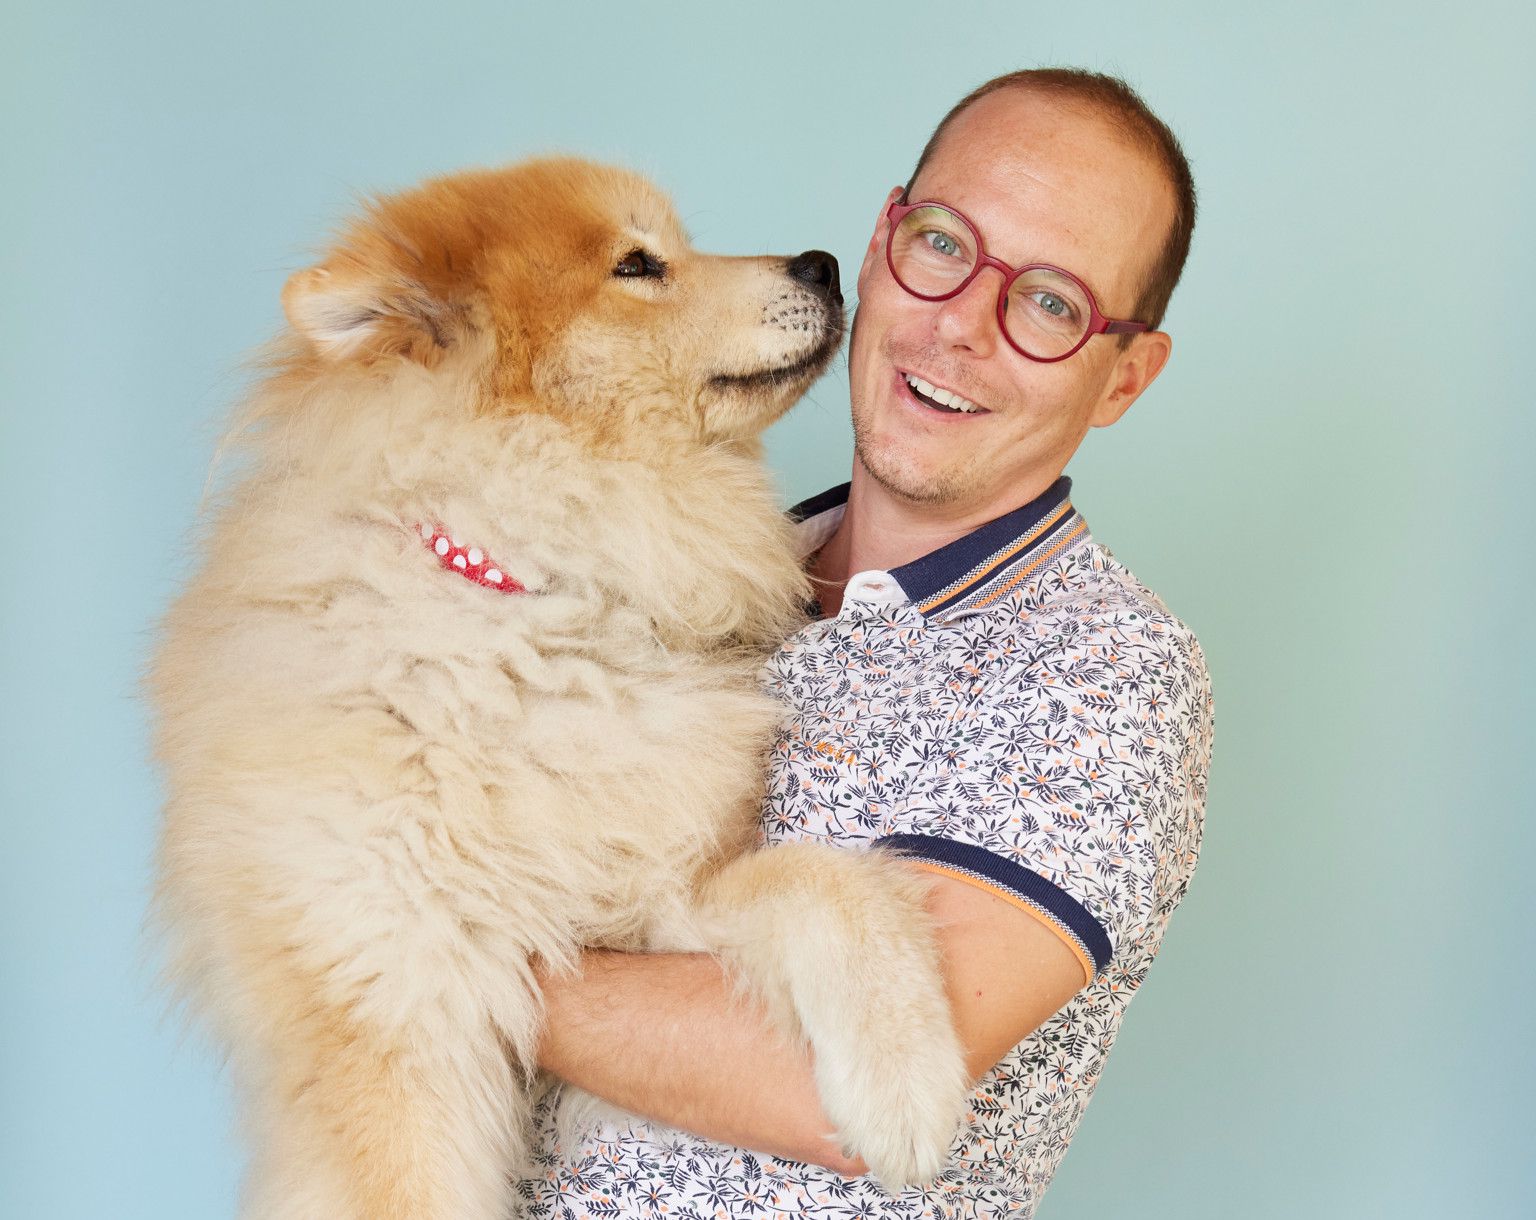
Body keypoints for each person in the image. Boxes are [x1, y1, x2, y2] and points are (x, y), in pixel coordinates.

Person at [522, 67, 1214, 1220]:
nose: (959, 326)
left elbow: (840, 1087)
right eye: (945, 243)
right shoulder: (691, 575)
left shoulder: (1104, 669)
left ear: (1125, 375)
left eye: (1050, 303)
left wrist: (428, 946)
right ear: (886, 234)